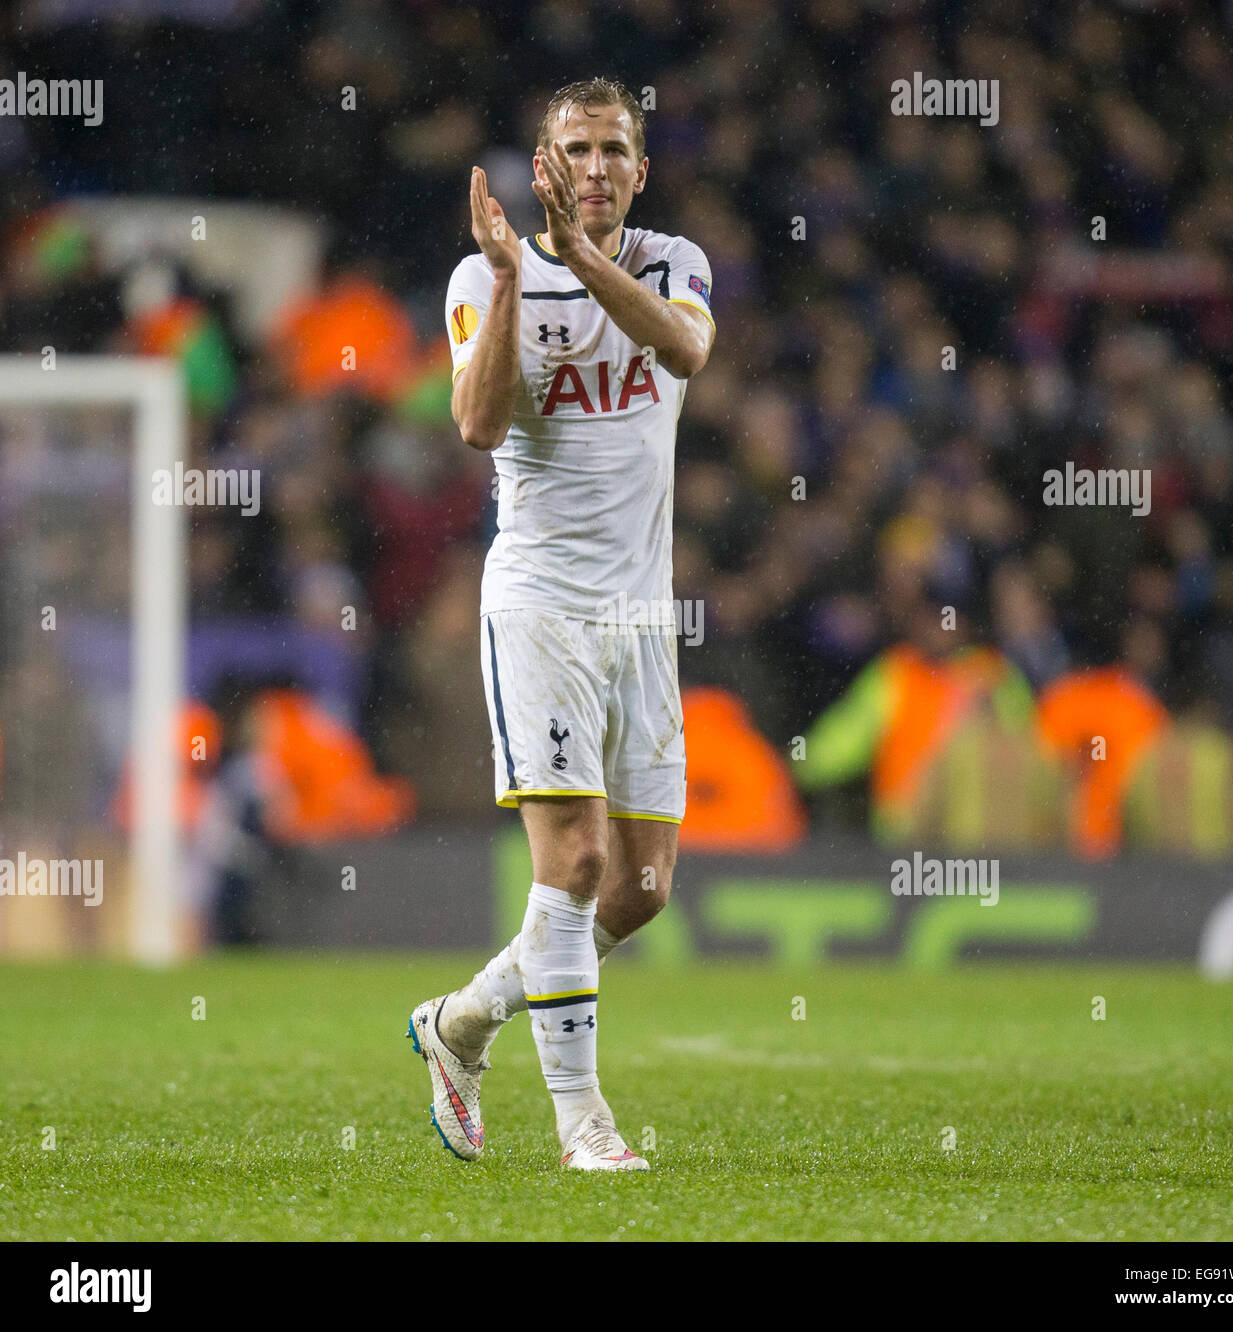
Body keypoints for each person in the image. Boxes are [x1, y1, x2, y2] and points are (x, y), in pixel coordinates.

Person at [408, 77, 716, 1171]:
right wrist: (505, 282)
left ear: (643, 169)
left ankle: (458, 1024)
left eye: (614, 151)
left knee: (639, 891)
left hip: (642, 616)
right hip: (538, 606)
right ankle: (584, 1124)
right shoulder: (485, 278)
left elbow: (682, 355)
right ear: (545, 167)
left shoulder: (676, 265)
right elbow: (477, 422)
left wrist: (582, 265)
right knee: (575, 865)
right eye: (576, 150)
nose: (595, 168)